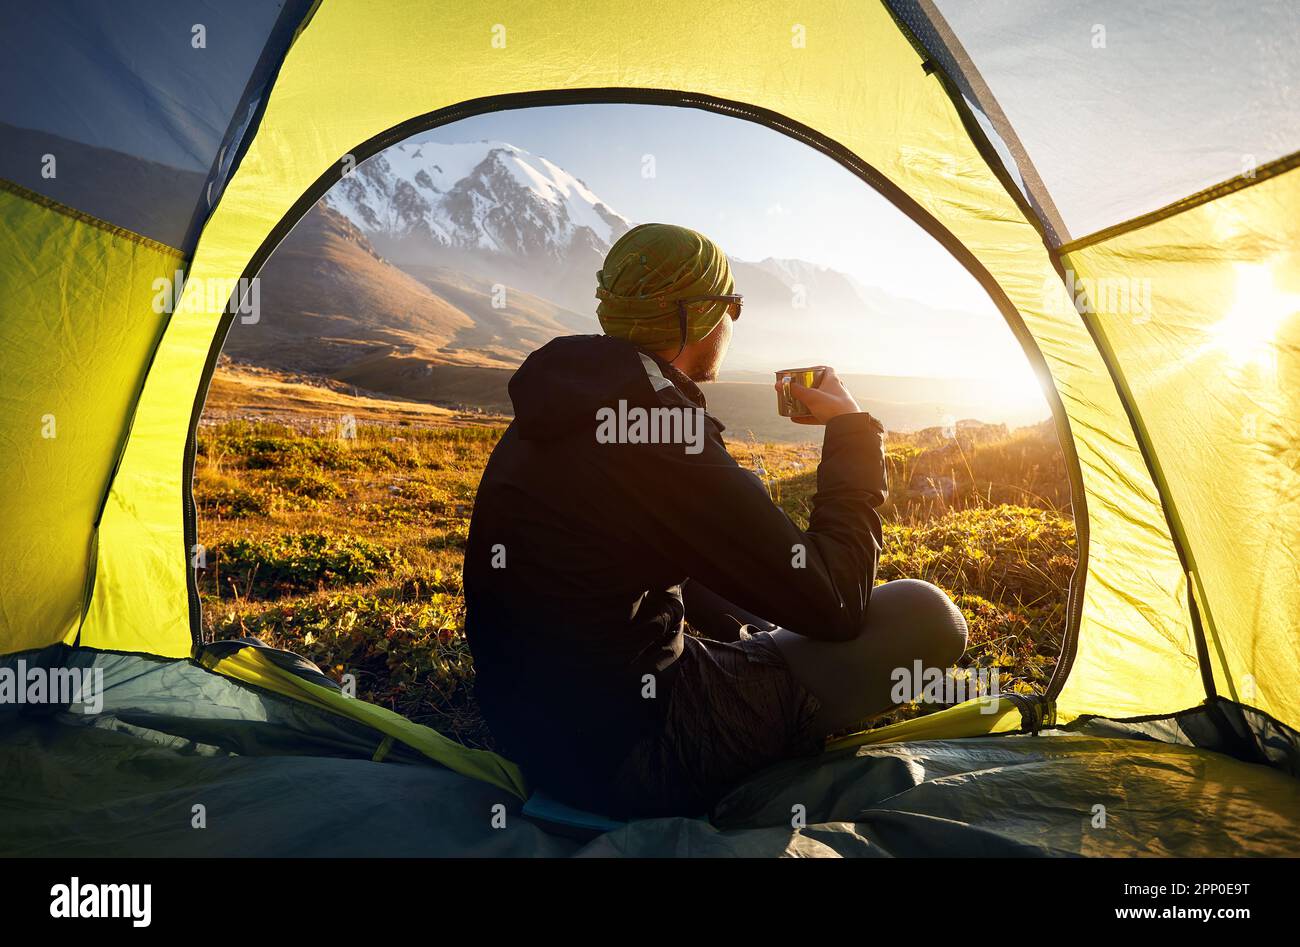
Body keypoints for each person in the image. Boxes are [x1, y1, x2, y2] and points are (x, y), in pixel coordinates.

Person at [463, 223, 967, 818]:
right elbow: (835, 603)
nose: (734, 322)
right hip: (631, 755)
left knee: (758, 620)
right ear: (698, 317)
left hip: (534, 729)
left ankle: (758, 659)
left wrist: (750, 623)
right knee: (925, 615)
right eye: (735, 306)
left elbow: (654, 551)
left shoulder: (565, 401)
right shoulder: (661, 429)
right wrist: (851, 430)